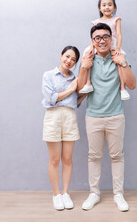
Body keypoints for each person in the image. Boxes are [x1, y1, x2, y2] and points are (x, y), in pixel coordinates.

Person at [77, 23, 136, 211]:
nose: (101, 40)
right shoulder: (88, 58)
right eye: (97, 38)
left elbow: (132, 84)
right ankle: (94, 193)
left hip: (116, 115)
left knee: (117, 156)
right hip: (93, 116)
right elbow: (79, 89)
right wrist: (83, 68)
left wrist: (123, 63)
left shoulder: (119, 57)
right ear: (92, 41)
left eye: (105, 37)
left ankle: (119, 195)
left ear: (111, 38)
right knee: (93, 156)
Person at [42, 46, 80, 210]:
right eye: (67, 56)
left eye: (73, 59)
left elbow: (76, 101)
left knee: (67, 159)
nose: (69, 61)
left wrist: (81, 89)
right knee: (55, 159)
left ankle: (65, 193)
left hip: (69, 117)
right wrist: (71, 89)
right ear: (61, 56)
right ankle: (56, 194)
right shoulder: (49, 75)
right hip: (53, 116)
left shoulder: (75, 78)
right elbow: (51, 99)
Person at [79, 0, 130, 100]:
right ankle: (88, 83)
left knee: (120, 61)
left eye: (110, 5)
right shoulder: (96, 22)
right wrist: (92, 48)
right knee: (87, 56)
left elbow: (119, 34)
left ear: (114, 7)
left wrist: (118, 48)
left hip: (113, 43)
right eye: (104, 5)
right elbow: (93, 37)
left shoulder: (116, 19)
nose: (107, 7)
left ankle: (123, 88)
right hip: (99, 45)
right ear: (99, 8)